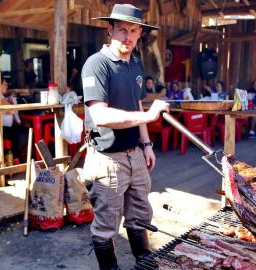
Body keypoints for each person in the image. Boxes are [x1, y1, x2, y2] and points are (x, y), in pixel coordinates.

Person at [82, 4, 169, 270]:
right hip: (107, 158)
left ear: (140, 32)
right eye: (121, 29)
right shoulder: (96, 64)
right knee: (107, 223)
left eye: (133, 30)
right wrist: (149, 118)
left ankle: (143, 260)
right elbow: (101, 116)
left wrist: (146, 144)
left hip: (136, 154)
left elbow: (137, 105)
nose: (127, 36)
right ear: (110, 29)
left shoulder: (134, 64)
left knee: (140, 213)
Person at [0, 79, 29, 163]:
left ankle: (16, 157)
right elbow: (12, 111)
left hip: (9, 126)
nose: (7, 86)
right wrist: (11, 102)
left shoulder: (3, 98)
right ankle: (15, 157)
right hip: (4, 128)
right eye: (5, 84)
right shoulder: (0, 97)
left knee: (23, 130)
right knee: (22, 134)